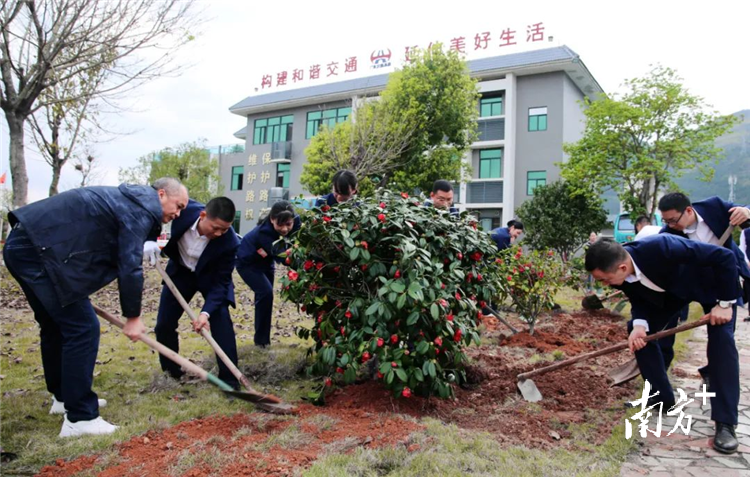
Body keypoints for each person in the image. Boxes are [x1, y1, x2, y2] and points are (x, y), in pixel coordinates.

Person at [3, 178, 188, 437]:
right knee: (83, 328)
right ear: (160, 195)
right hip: (37, 252)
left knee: (57, 325)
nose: (178, 214)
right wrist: (133, 316)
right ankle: (80, 418)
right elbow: (128, 264)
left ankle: (64, 398)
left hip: (26, 246)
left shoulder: (127, 200)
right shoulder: (141, 208)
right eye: (178, 205)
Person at [585, 236, 741, 454]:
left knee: (721, 344)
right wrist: (640, 324)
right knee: (638, 335)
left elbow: (724, 256)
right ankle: (662, 398)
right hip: (669, 296)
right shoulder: (622, 272)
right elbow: (638, 297)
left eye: (604, 279)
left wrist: (725, 303)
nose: (604, 285)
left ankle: (725, 424)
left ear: (622, 267)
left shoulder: (662, 247)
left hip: (710, 286)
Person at [146, 197, 241, 390]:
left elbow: (222, 283)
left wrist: (205, 313)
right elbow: (154, 220)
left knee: (221, 322)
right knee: (164, 324)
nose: (219, 233)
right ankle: (172, 373)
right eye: (215, 228)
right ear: (203, 215)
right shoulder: (182, 212)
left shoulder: (229, 242)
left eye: (225, 229)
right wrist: (150, 241)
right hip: (180, 272)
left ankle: (230, 381)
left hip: (211, 278)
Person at [658, 193, 750, 373]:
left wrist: (746, 211)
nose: (671, 225)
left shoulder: (714, 206)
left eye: (673, 220)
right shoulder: (668, 234)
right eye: (666, 221)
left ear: (689, 211)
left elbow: (743, 212)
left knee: (722, 335)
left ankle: (714, 372)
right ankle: (659, 380)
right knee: (664, 325)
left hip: (721, 282)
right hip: (689, 281)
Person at [236, 201, 300, 347]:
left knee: (265, 299)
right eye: (280, 224)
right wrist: (307, 267)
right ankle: (261, 342)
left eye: (288, 224)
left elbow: (300, 235)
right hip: (247, 263)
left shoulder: (295, 221)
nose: (285, 229)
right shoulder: (264, 233)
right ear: (272, 219)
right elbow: (284, 257)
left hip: (265, 262)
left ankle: (263, 340)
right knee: (265, 293)